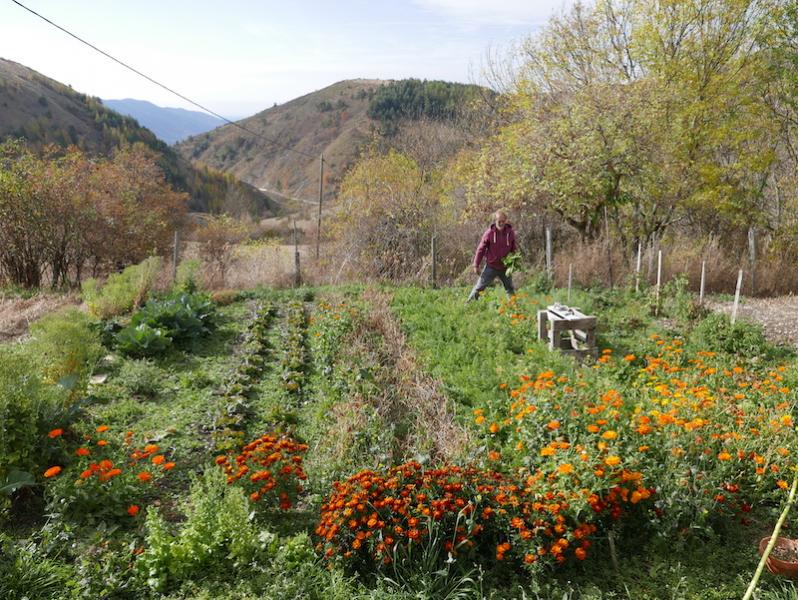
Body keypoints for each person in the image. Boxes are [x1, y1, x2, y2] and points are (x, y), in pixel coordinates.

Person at [467, 210, 517, 302]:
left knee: (509, 289)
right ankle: (468, 305)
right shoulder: (489, 233)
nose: (501, 223)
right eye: (499, 221)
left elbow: (514, 250)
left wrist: (514, 262)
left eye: (503, 221)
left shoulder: (510, 233)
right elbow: (481, 249)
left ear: (506, 221)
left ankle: (514, 309)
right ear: (495, 220)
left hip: (505, 267)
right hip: (491, 266)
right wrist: (476, 265)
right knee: (480, 287)